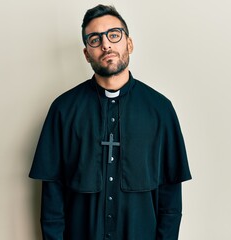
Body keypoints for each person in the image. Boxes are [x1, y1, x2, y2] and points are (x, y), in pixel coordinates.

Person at [29, 4, 192, 240]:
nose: (106, 44)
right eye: (94, 40)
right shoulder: (63, 110)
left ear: (129, 43)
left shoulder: (160, 110)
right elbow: (52, 199)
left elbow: (170, 199)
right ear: (86, 53)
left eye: (114, 35)